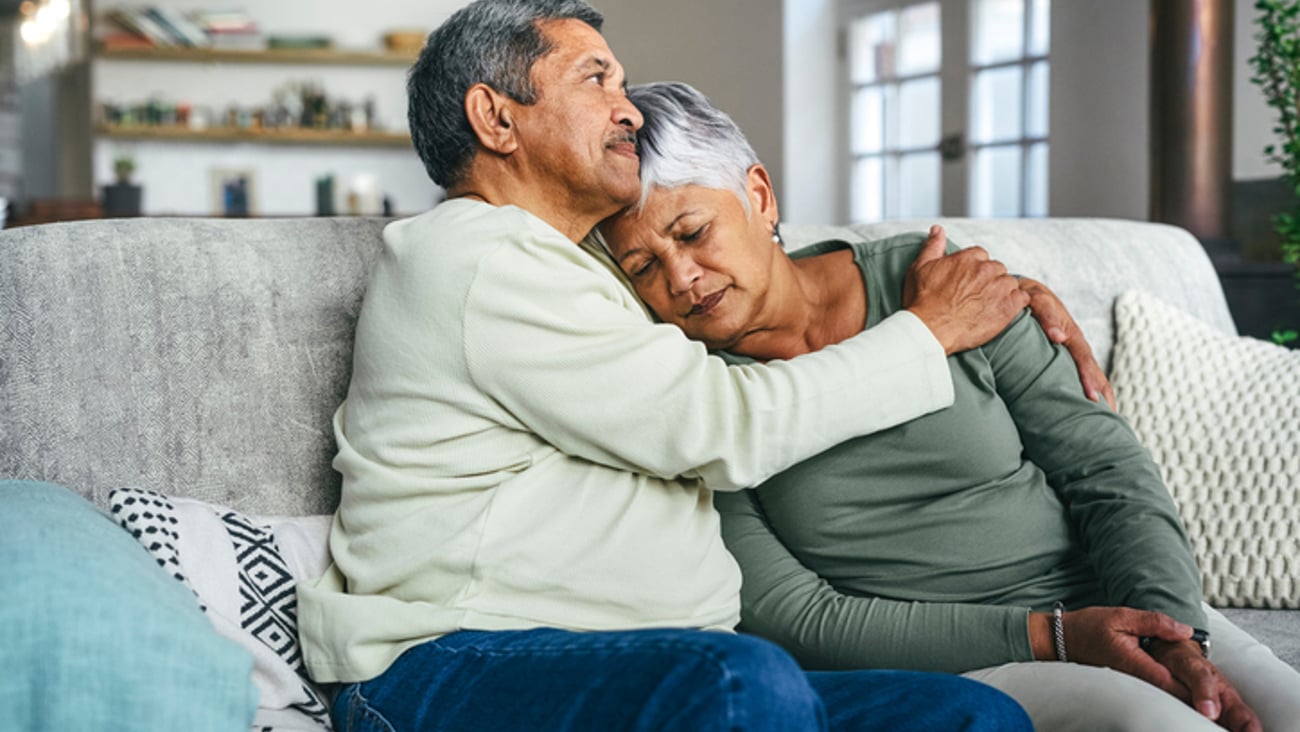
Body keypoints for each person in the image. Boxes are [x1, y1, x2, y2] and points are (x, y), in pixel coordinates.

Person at [294, 1, 1057, 730]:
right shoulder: (472, 257)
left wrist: (1004, 293)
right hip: (458, 663)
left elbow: (750, 252)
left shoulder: (588, 267)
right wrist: (931, 330)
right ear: (497, 119)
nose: (628, 111)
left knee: (969, 716)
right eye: (596, 80)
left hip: (647, 667)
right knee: (738, 679)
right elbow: (726, 423)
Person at [598, 80, 1300, 732]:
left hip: (1122, 597)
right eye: (643, 268)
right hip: (971, 657)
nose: (682, 278)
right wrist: (1058, 635)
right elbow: (794, 615)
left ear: (758, 194)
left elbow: (1107, 470)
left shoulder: (941, 282)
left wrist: (1177, 634)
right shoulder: (695, 395)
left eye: (691, 234)